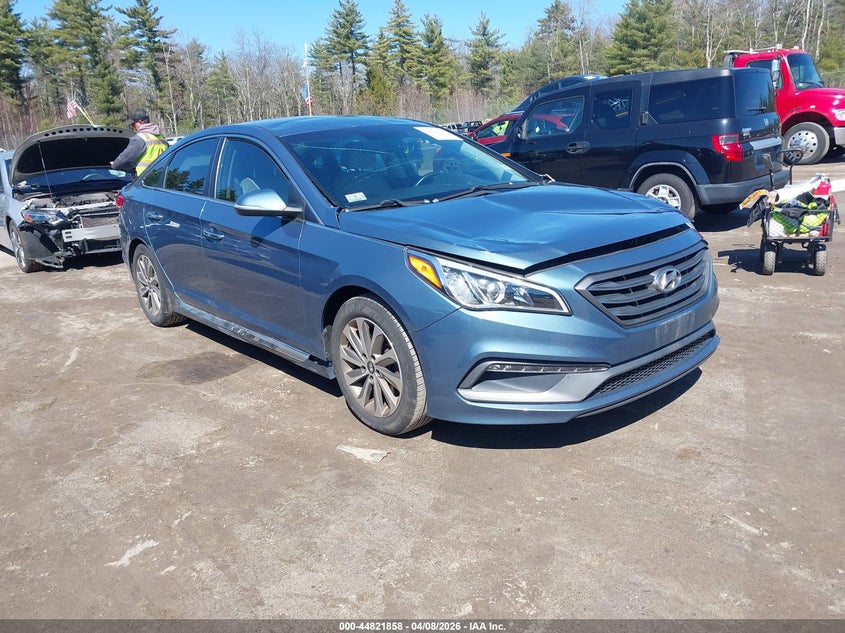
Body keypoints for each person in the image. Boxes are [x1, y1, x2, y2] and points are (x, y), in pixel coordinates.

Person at [111, 108, 168, 175]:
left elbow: (126, 158)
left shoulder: (140, 138)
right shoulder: (161, 138)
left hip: (146, 178)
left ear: (141, 122)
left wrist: (115, 164)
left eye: (133, 124)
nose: (133, 127)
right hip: (162, 177)